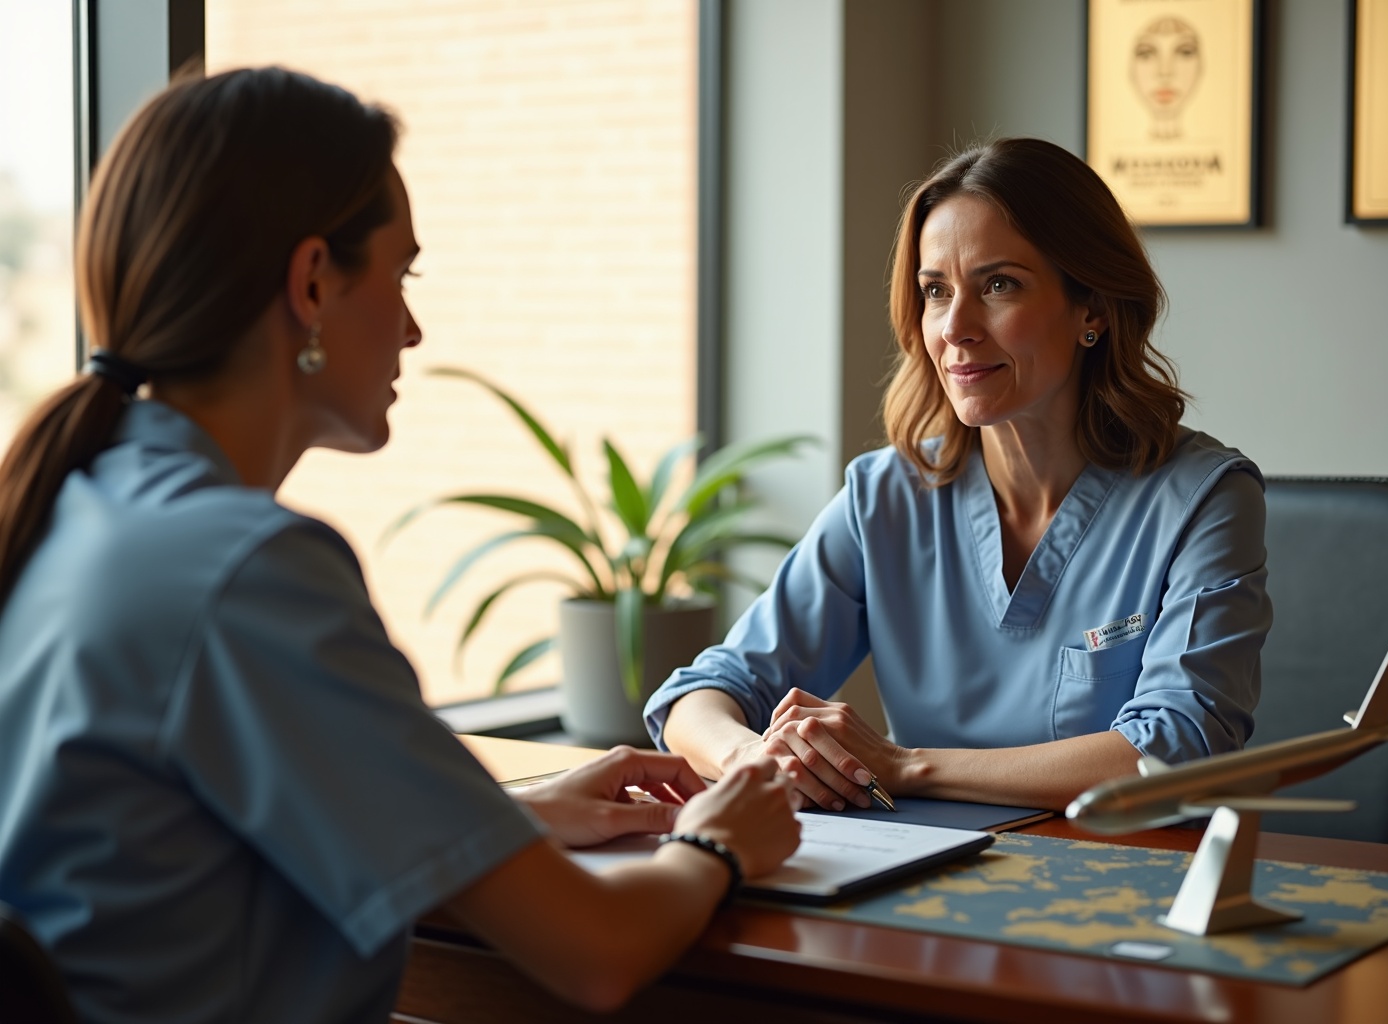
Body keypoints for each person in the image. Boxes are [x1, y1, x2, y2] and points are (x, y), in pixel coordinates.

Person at [0, 68, 800, 1023]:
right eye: (400, 273)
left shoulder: (79, 505)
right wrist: (713, 841)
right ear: (310, 283)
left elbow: (196, 839)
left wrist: (501, 820)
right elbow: (599, 952)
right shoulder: (248, 572)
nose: (414, 327)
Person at [645, 138, 1271, 816]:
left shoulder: (1205, 500)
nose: (955, 327)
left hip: (1122, 885)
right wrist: (752, 756)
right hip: (911, 878)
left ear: (1091, 308)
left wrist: (905, 766)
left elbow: (1179, 747)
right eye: (935, 291)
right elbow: (703, 693)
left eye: (999, 285)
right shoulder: (884, 496)